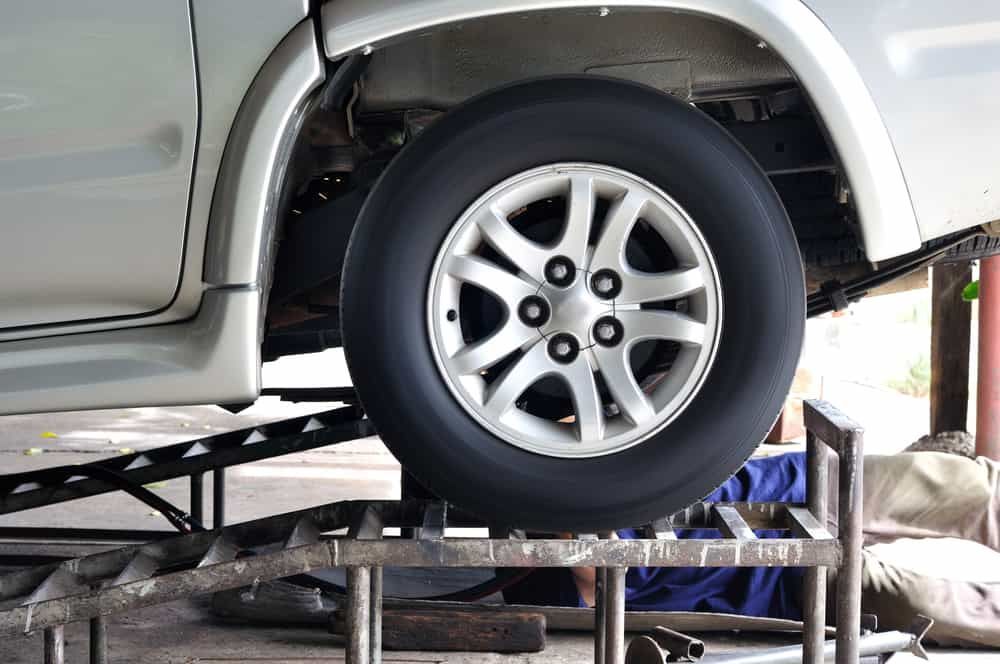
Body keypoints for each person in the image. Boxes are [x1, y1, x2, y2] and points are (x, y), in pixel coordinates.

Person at [504, 447, 1000, 648]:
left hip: (799, 485)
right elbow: (596, 577)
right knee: (929, 608)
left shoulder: (567, 459)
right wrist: (565, 525)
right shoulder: (535, 586)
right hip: (785, 585)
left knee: (970, 487)